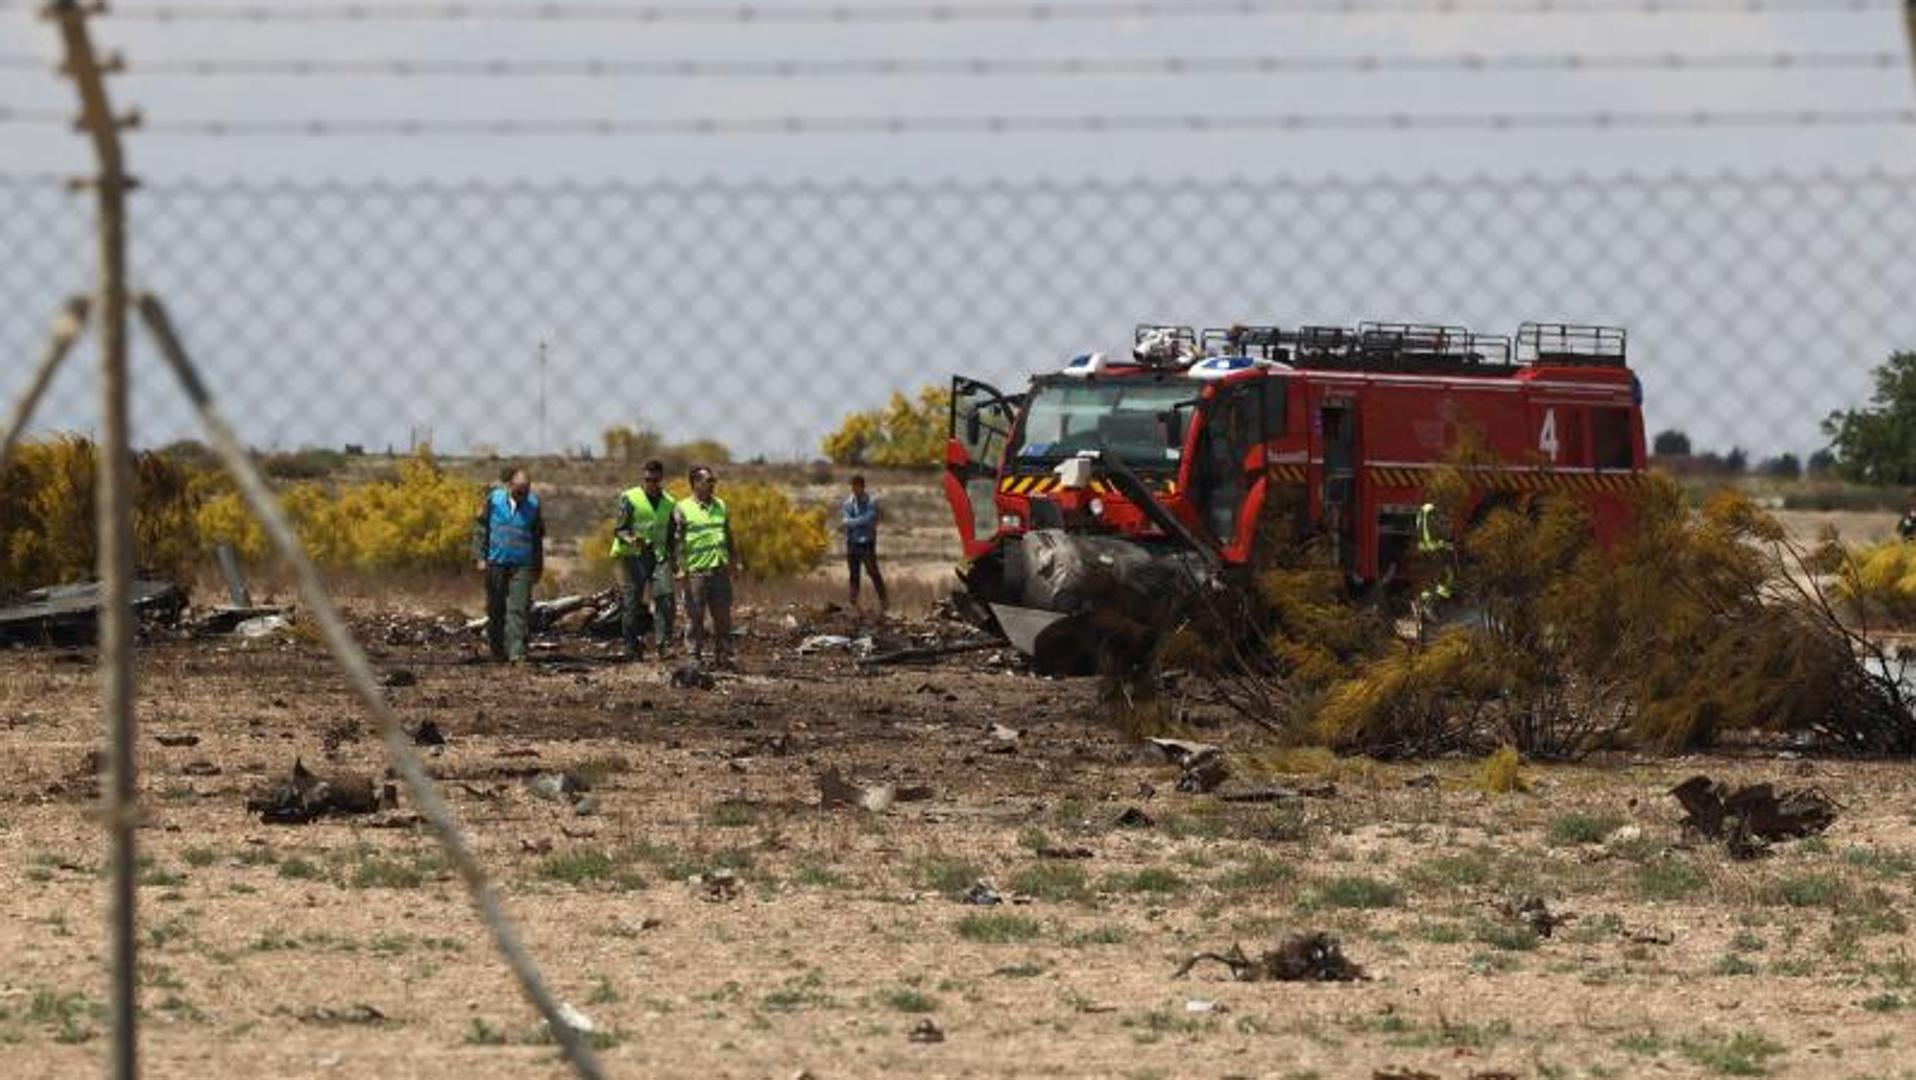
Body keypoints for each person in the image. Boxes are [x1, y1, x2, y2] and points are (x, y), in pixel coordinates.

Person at [472, 465, 544, 663]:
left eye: (527, 490)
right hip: (496, 562)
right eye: (519, 490)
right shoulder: (493, 500)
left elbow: (537, 538)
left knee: (519, 609)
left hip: (522, 564)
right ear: (509, 485)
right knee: (495, 609)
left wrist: (538, 566)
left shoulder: (534, 504)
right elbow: (480, 528)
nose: (523, 494)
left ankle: (517, 654)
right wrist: (479, 556)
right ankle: (498, 651)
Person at [672, 464, 741, 668]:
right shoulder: (683, 507)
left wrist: (734, 562)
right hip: (696, 573)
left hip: (720, 571)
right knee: (694, 618)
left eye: (713, 480)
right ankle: (694, 657)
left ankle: (724, 656)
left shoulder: (721, 505)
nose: (713, 484)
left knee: (723, 618)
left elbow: (728, 536)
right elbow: (676, 542)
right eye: (708, 480)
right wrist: (678, 568)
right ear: (695, 483)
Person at [608, 458, 675, 660]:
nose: (651, 483)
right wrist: (631, 539)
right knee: (632, 602)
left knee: (665, 597)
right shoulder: (629, 497)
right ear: (643, 478)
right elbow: (619, 529)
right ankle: (631, 646)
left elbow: (671, 533)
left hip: (659, 556)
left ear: (661, 478)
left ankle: (664, 645)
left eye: (655, 480)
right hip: (633, 556)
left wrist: (674, 559)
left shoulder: (669, 502)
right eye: (647, 479)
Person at [841, 473, 889, 612]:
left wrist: (853, 522)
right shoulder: (848, 503)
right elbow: (845, 520)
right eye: (852, 487)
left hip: (866, 542)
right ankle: (853, 603)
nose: (854, 490)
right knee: (854, 575)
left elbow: (868, 519)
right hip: (852, 543)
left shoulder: (871, 502)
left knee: (873, 572)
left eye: (856, 487)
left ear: (862, 487)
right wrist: (855, 522)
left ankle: (884, 601)